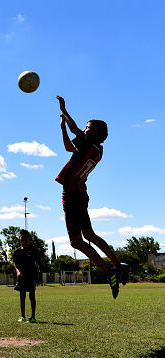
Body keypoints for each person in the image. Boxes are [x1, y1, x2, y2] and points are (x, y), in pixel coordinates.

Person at [56, 96, 128, 299]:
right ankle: (117, 265)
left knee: (77, 242)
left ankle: (109, 271)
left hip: (72, 195)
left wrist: (64, 110)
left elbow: (75, 131)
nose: (85, 130)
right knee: (89, 235)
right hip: (78, 194)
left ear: (96, 132)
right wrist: (62, 127)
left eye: (88, 128)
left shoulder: (91, 144)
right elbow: (69, 147)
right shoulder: (94, 149)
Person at [13, 229, 40, 323]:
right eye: (21, 237)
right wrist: (17, 272)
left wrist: (39, 272)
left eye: (25, 237)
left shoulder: (33, 250)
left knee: (32, 295)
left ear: (28, 238)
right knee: (22, 295)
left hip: (31, 275)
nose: (23, 238)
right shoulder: (17, 251)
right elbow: (15, 263)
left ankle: (33, 317)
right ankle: (22, 316)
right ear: (19, 238)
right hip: (21, 276)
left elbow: (38, 262)